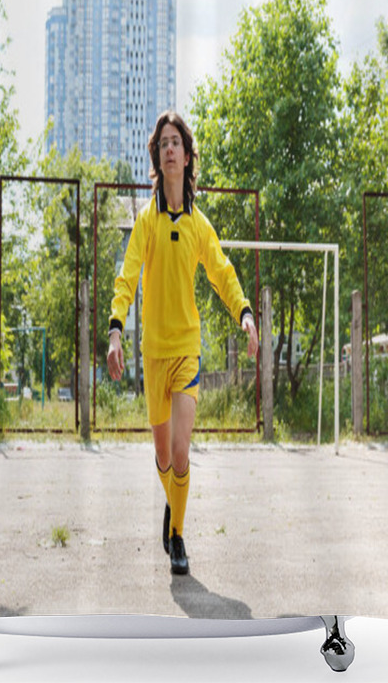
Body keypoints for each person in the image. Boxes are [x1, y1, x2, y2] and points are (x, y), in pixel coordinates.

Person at [107, 111, 258, 575]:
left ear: (188, 157)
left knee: (180, 450)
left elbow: (222, 272)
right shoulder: (147, 223)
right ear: (157, 156)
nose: (170, 149)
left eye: (177, 142)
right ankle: (172, 501)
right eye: (163, 143)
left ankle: (177, 535)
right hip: (153, 351)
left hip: (187, 349)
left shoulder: (198, 225)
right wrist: (116, 327)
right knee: (160, 454)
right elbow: (128, 276)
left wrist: (245, 314)